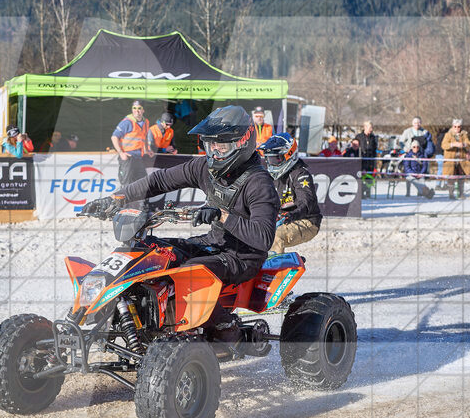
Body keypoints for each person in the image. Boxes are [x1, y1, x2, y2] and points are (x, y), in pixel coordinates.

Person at [82, 105, 278, 347]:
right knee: (151, 251)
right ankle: (138, 322)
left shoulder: (259, 182)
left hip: (243, 255)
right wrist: (118, 198)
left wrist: (221, 215)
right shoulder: (205, 168)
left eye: (222, 145)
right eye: (209, 144)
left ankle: (227, 332)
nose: (214, 151)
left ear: (242, 142)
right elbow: (160, 180)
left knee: (193, 273)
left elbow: (263, 237)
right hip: (213, 243)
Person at [261, 133, 322, 255]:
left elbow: (306, 201)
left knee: (275, 236)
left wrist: (291, 215)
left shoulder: (300, 174)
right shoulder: (268, 176)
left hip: (306, 221)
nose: (272, 164)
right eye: (269, 159)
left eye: (276, 159)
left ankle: (274, 272)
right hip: (279, 221)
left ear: (289, 155)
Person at [111, 100, 151, 188]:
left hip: (138, 157)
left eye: (139, 108)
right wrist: (121, 153)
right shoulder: (127, 122)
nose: (137, 111)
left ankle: (140, 201)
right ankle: (124, 202)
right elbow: (114, 137)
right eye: (134, 108)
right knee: (126, 184)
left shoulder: (146, 122)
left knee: (142, 182)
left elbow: (144, 137)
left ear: (143, 110)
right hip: (128, 157)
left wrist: (147, 150)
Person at [441, 118, 470, 199]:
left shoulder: (464, 134)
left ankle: (461, 193)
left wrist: (464, 144)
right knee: (451, 178)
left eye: (458, 127)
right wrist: (453, 144)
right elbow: (444, 145)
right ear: (452, 126)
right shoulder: (448, 135)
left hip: (461, 160)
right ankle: (451, 194)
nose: (457, 128)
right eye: (455, 126)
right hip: (450, 160)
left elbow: (469, 144)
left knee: (461, 177)